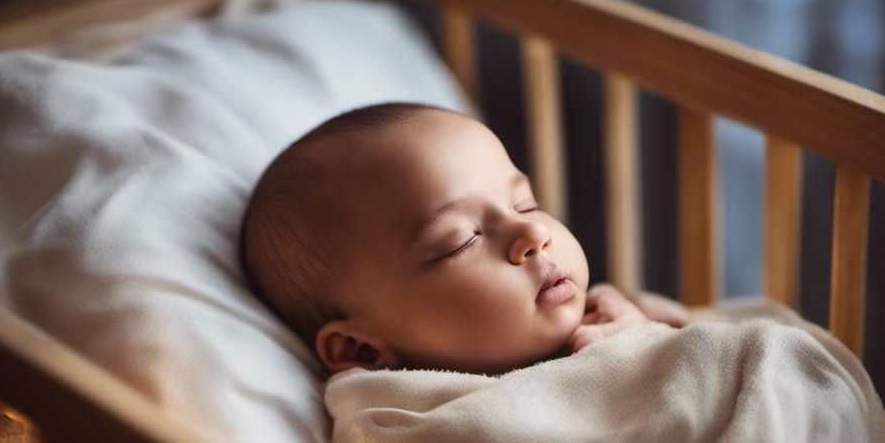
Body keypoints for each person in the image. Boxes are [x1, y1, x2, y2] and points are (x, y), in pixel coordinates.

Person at [240, 102, 688, 376]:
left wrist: (647, 332)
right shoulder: (419, 428)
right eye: (462, 241)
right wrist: (638, 357)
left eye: (526, 204)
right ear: (363, 348)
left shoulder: (612, 311)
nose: (534, 233)